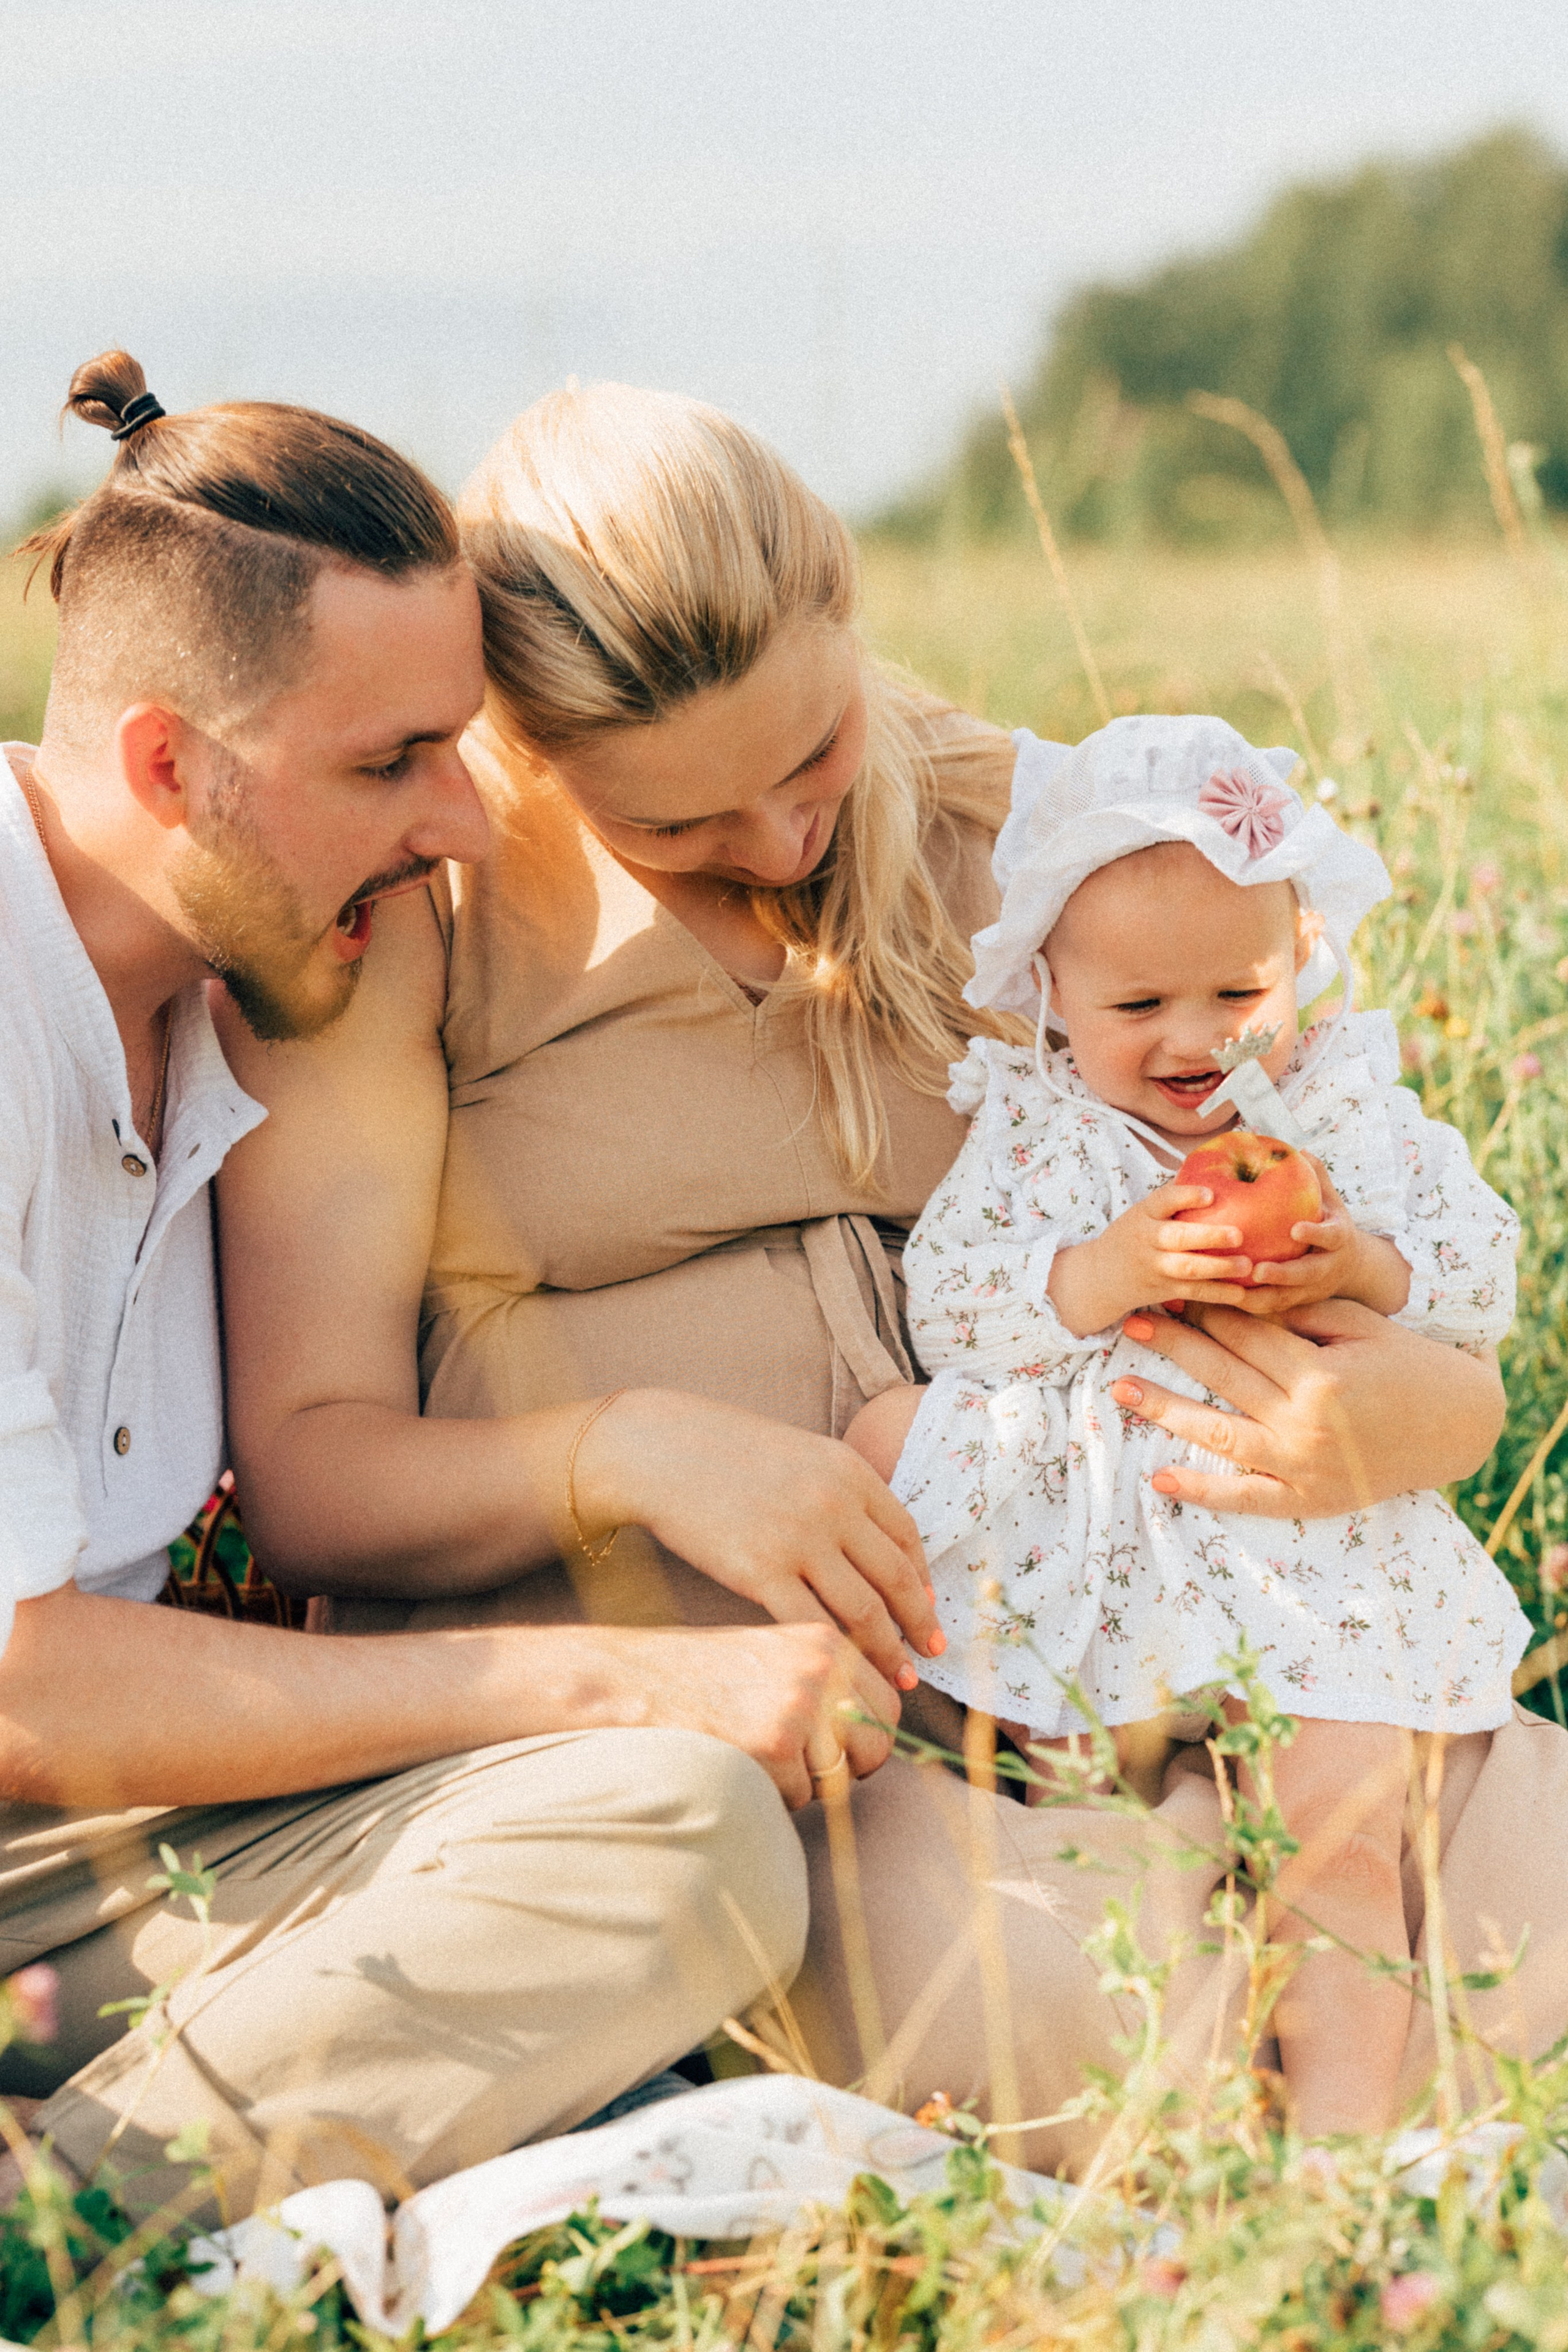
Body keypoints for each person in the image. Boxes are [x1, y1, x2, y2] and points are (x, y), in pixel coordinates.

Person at [217, 385, 1567, 2158]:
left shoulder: (1043, 845)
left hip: (1205, 1639)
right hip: (778, 1728)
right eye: (681, 825)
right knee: (1143, 2053)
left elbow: (1362, 1215)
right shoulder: (416, 931)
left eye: (811, 762)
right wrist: (623, 1450)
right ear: (526, 747)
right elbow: (309, 1478)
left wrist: (1416, 1414)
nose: (780, 848)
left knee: (1503, 1971)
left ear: (850, 607)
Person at [0, 353, 888, 2220]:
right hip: (46, 1795)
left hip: (100, 1866)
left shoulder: (234, 1031)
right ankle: (62, 2255)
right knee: (660, 1780)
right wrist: (602, 1674)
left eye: (460, 751)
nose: (465, 830)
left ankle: (141, 2198)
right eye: (391, 766)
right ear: (169, 763)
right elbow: (22, 1683)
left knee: (689, 1840)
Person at [843, 713, 1531, 2139]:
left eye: (1238, 987)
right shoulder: (1033, 1127)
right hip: (1099, 1538)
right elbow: (957, 1306)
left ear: (1302, 962)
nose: (1194, 1038)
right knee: (1085, 1832)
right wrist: (1108, 1271)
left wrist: (1362, 1267)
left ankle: (1343, 2158)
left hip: (1311, 1548)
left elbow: (1483, 1269)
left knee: (1337, 1845)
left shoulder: (1350, 1111)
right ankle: (1165, 2104)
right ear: (1049, 991)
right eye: (1135, 1003)